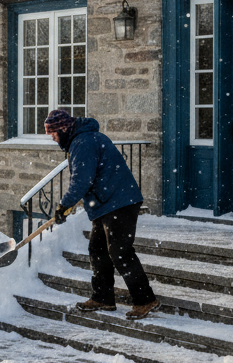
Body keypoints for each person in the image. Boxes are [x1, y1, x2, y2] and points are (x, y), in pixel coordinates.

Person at [43, 109, 160, 320]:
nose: (52, 138)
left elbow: (81, 180)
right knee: (98, 249)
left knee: (119, 251)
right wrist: (67, 207)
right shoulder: (81, 140)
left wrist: (63, 205)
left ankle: (145, 300)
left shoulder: (83, 142)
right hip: (107, 203)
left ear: (63, 128)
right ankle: (103, 298)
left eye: (53, 133)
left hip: (119, 202)